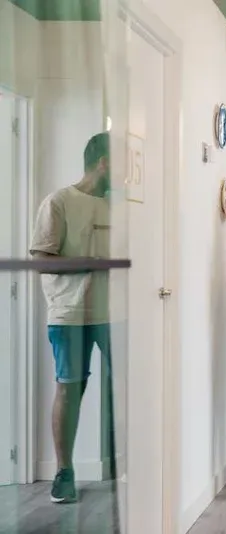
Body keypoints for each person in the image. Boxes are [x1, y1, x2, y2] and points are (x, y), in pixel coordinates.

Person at [29, 132, 113, 504]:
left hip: (115, 314)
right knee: (70, 388)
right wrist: (89, 264)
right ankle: (64, 472)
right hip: (70, 312)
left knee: (132, 386)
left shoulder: (120, 207)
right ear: (104, 163)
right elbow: (40, 260)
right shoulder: (58, 202)